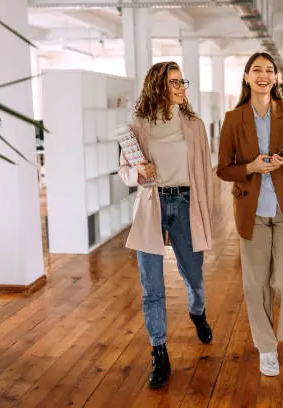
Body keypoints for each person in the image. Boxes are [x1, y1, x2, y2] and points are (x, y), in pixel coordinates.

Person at [217, 52, 283, 377]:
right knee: (255, 283)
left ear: (276, 78)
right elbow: (223, 169)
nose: (263, 75)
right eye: (256, 70)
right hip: (253, 212)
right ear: (246, 77)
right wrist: (250, 167)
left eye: (269, 70)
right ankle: (267, 347)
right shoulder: (233, 118)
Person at [118, 61, 214, 389]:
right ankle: (159, 352)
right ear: (157, 85)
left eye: (182, 81)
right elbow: (124, 169)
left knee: (194, 276)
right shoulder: (139, 123)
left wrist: (207, 210)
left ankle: (197, 312)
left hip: (186, 203)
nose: (181, 86)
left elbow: (203, 170)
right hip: (152, 204)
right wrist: (138, 173)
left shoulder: (194, 125)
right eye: (174, 82)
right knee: (152, 288)